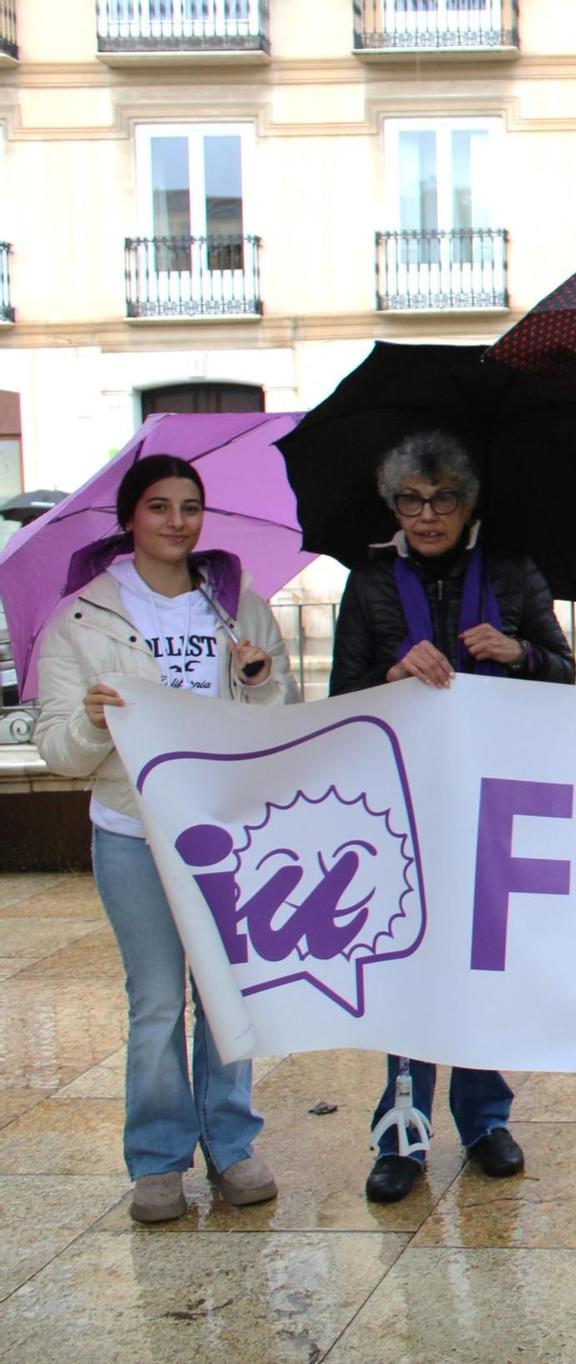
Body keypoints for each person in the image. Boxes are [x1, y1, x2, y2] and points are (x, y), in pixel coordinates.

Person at [33, 454, 292, 1222]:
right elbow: (59, 752)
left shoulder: (238, 608)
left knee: (224, 992)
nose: (177, 521)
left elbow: (274, 722)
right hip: (131, 833)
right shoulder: (83, 619)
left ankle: (233, 1146)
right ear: (128, 520)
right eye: (158, 506)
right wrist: (88, 716)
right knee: (154, 1002)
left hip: (221, 832)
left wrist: (255, 680)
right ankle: (157, 1160)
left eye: (190, 506)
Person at [330, 430, 575, 1205]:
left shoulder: (510, 570)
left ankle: (483, 1118)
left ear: (468, 503)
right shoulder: (369, 581)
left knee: (479, 961)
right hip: (398, 800)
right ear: (392, 504)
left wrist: (516, 652)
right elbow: (342, 698)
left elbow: (564, 673)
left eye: (442, 499)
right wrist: (393, 672)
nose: (426, 514)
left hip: (490, 796)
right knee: (405, 957)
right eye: (410, 499)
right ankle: (401, 1128)